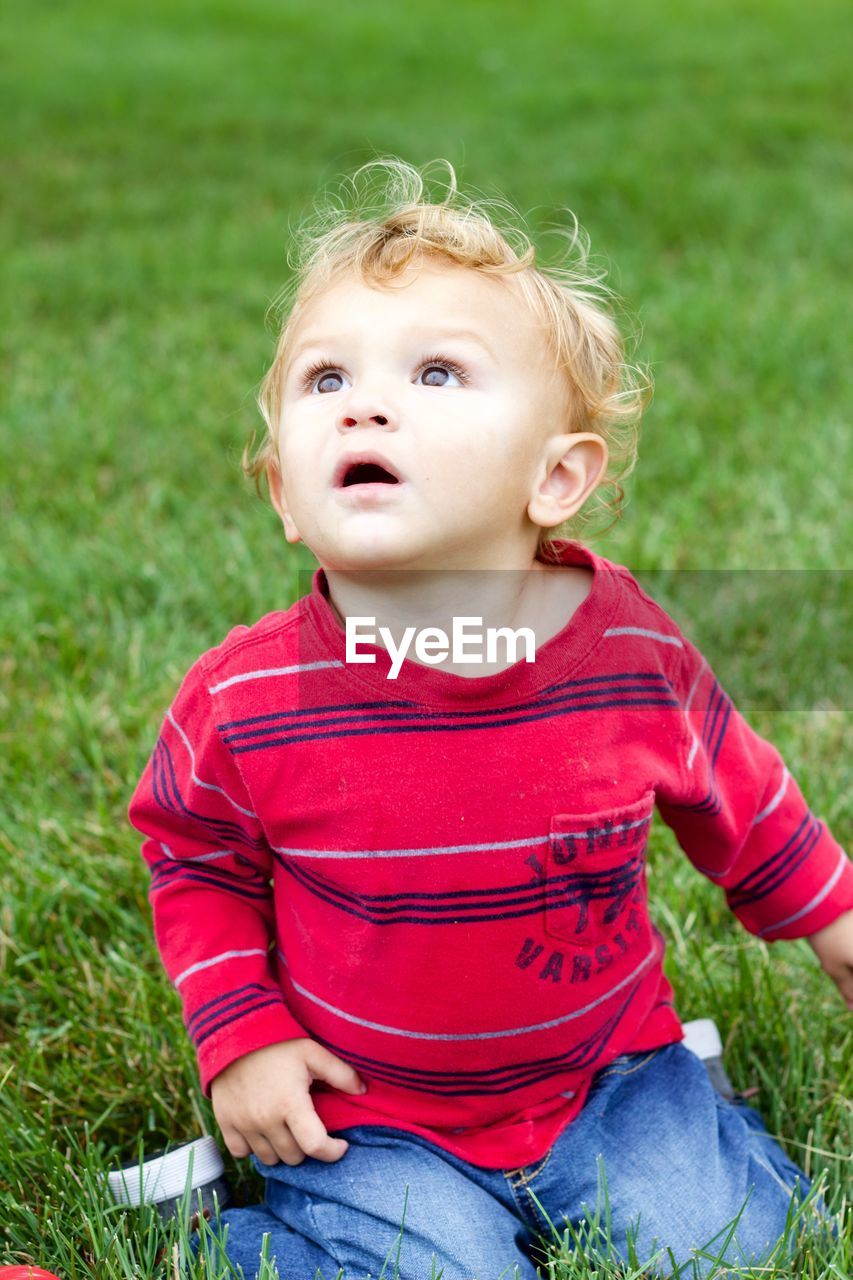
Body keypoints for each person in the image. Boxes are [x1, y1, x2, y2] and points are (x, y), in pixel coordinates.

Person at [128, 159, 853, 1279]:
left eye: (434, 372)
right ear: (283, 489)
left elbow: (741, 798)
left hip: (605, 1073)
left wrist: (833, 917)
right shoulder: (246, 697)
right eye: (325, 380)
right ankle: (237, 1229)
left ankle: (697, 1124)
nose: (364, 402)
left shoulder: (628, 650)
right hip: (372, 1107)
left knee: (726, 1249)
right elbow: (196, 858)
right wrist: (245, 1035)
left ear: (555, 477)